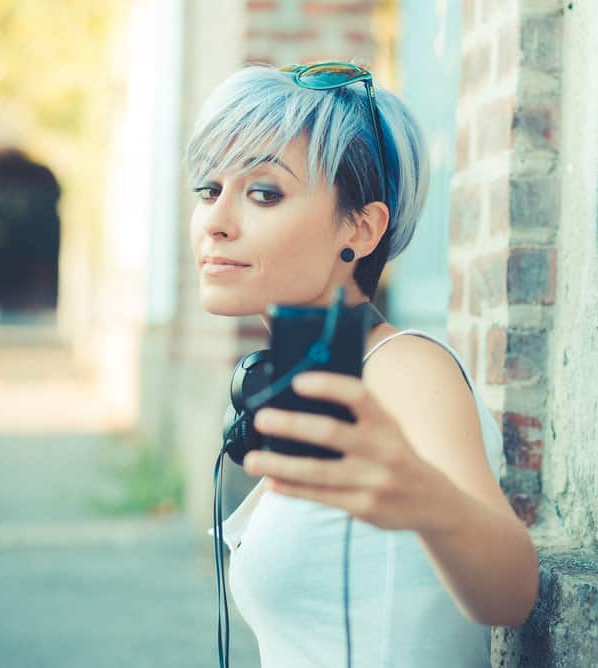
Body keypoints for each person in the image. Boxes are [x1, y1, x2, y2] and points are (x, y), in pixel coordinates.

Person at [186, 61, 539, 667]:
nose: (217, 222)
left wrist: (425, 497)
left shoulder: (403, 370)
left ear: (361, 227)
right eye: (209, 191)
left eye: (263, 193)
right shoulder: (310, 382)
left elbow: (511, 592)